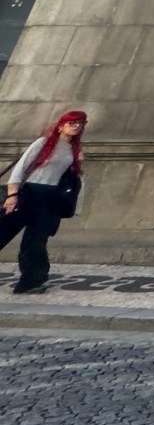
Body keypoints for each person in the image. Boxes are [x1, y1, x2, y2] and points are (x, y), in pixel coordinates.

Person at [3, 110, 86, 295]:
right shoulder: (44, 143)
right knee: (3, 231)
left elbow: (72, 180)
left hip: (49, 198)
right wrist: (12, 195)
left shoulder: (74, 150)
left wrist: (77, 166)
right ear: (61, 125)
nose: (76, 126)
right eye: (72, 123)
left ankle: (30, 282)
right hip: (29, 192)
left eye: (80, 123)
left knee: (36, 241)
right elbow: (20, 168)